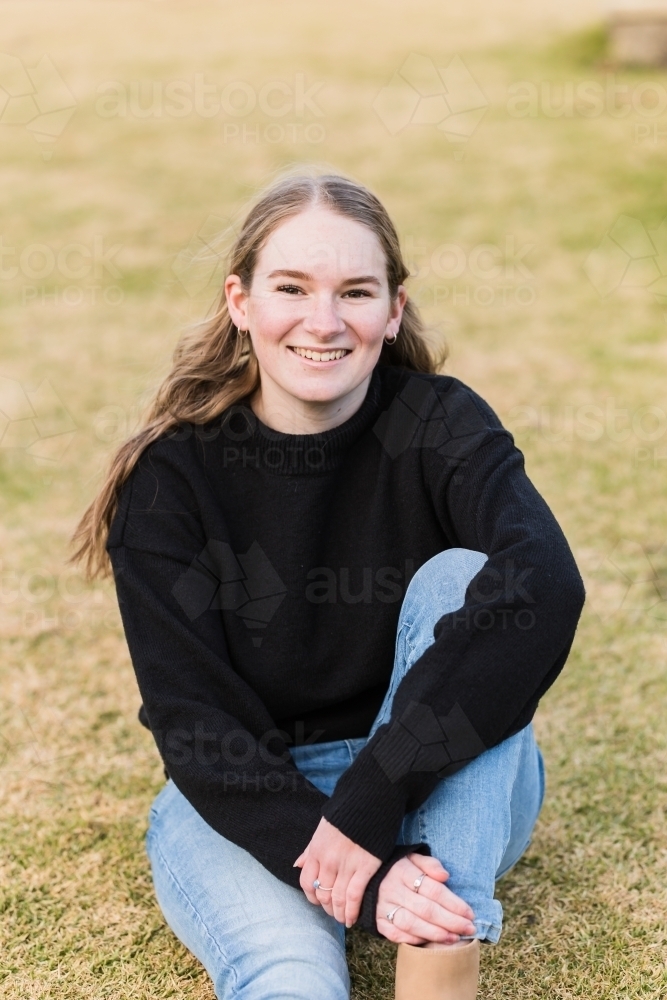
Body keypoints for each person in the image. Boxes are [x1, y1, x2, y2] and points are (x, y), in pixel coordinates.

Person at [71, 172, 585, 1000]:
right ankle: (403, 898)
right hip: (252, 802)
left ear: (394, 309)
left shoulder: (437, 422)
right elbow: (194, 724)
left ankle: (438, 960)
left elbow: (546, 584)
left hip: (438, 778)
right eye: (291, 288)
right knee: (288, 978)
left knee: (467, 581)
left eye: (354, 291)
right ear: (241, 301)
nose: (323, 321)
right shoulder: (172, 481)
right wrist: (352, 865)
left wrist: (369, 804)